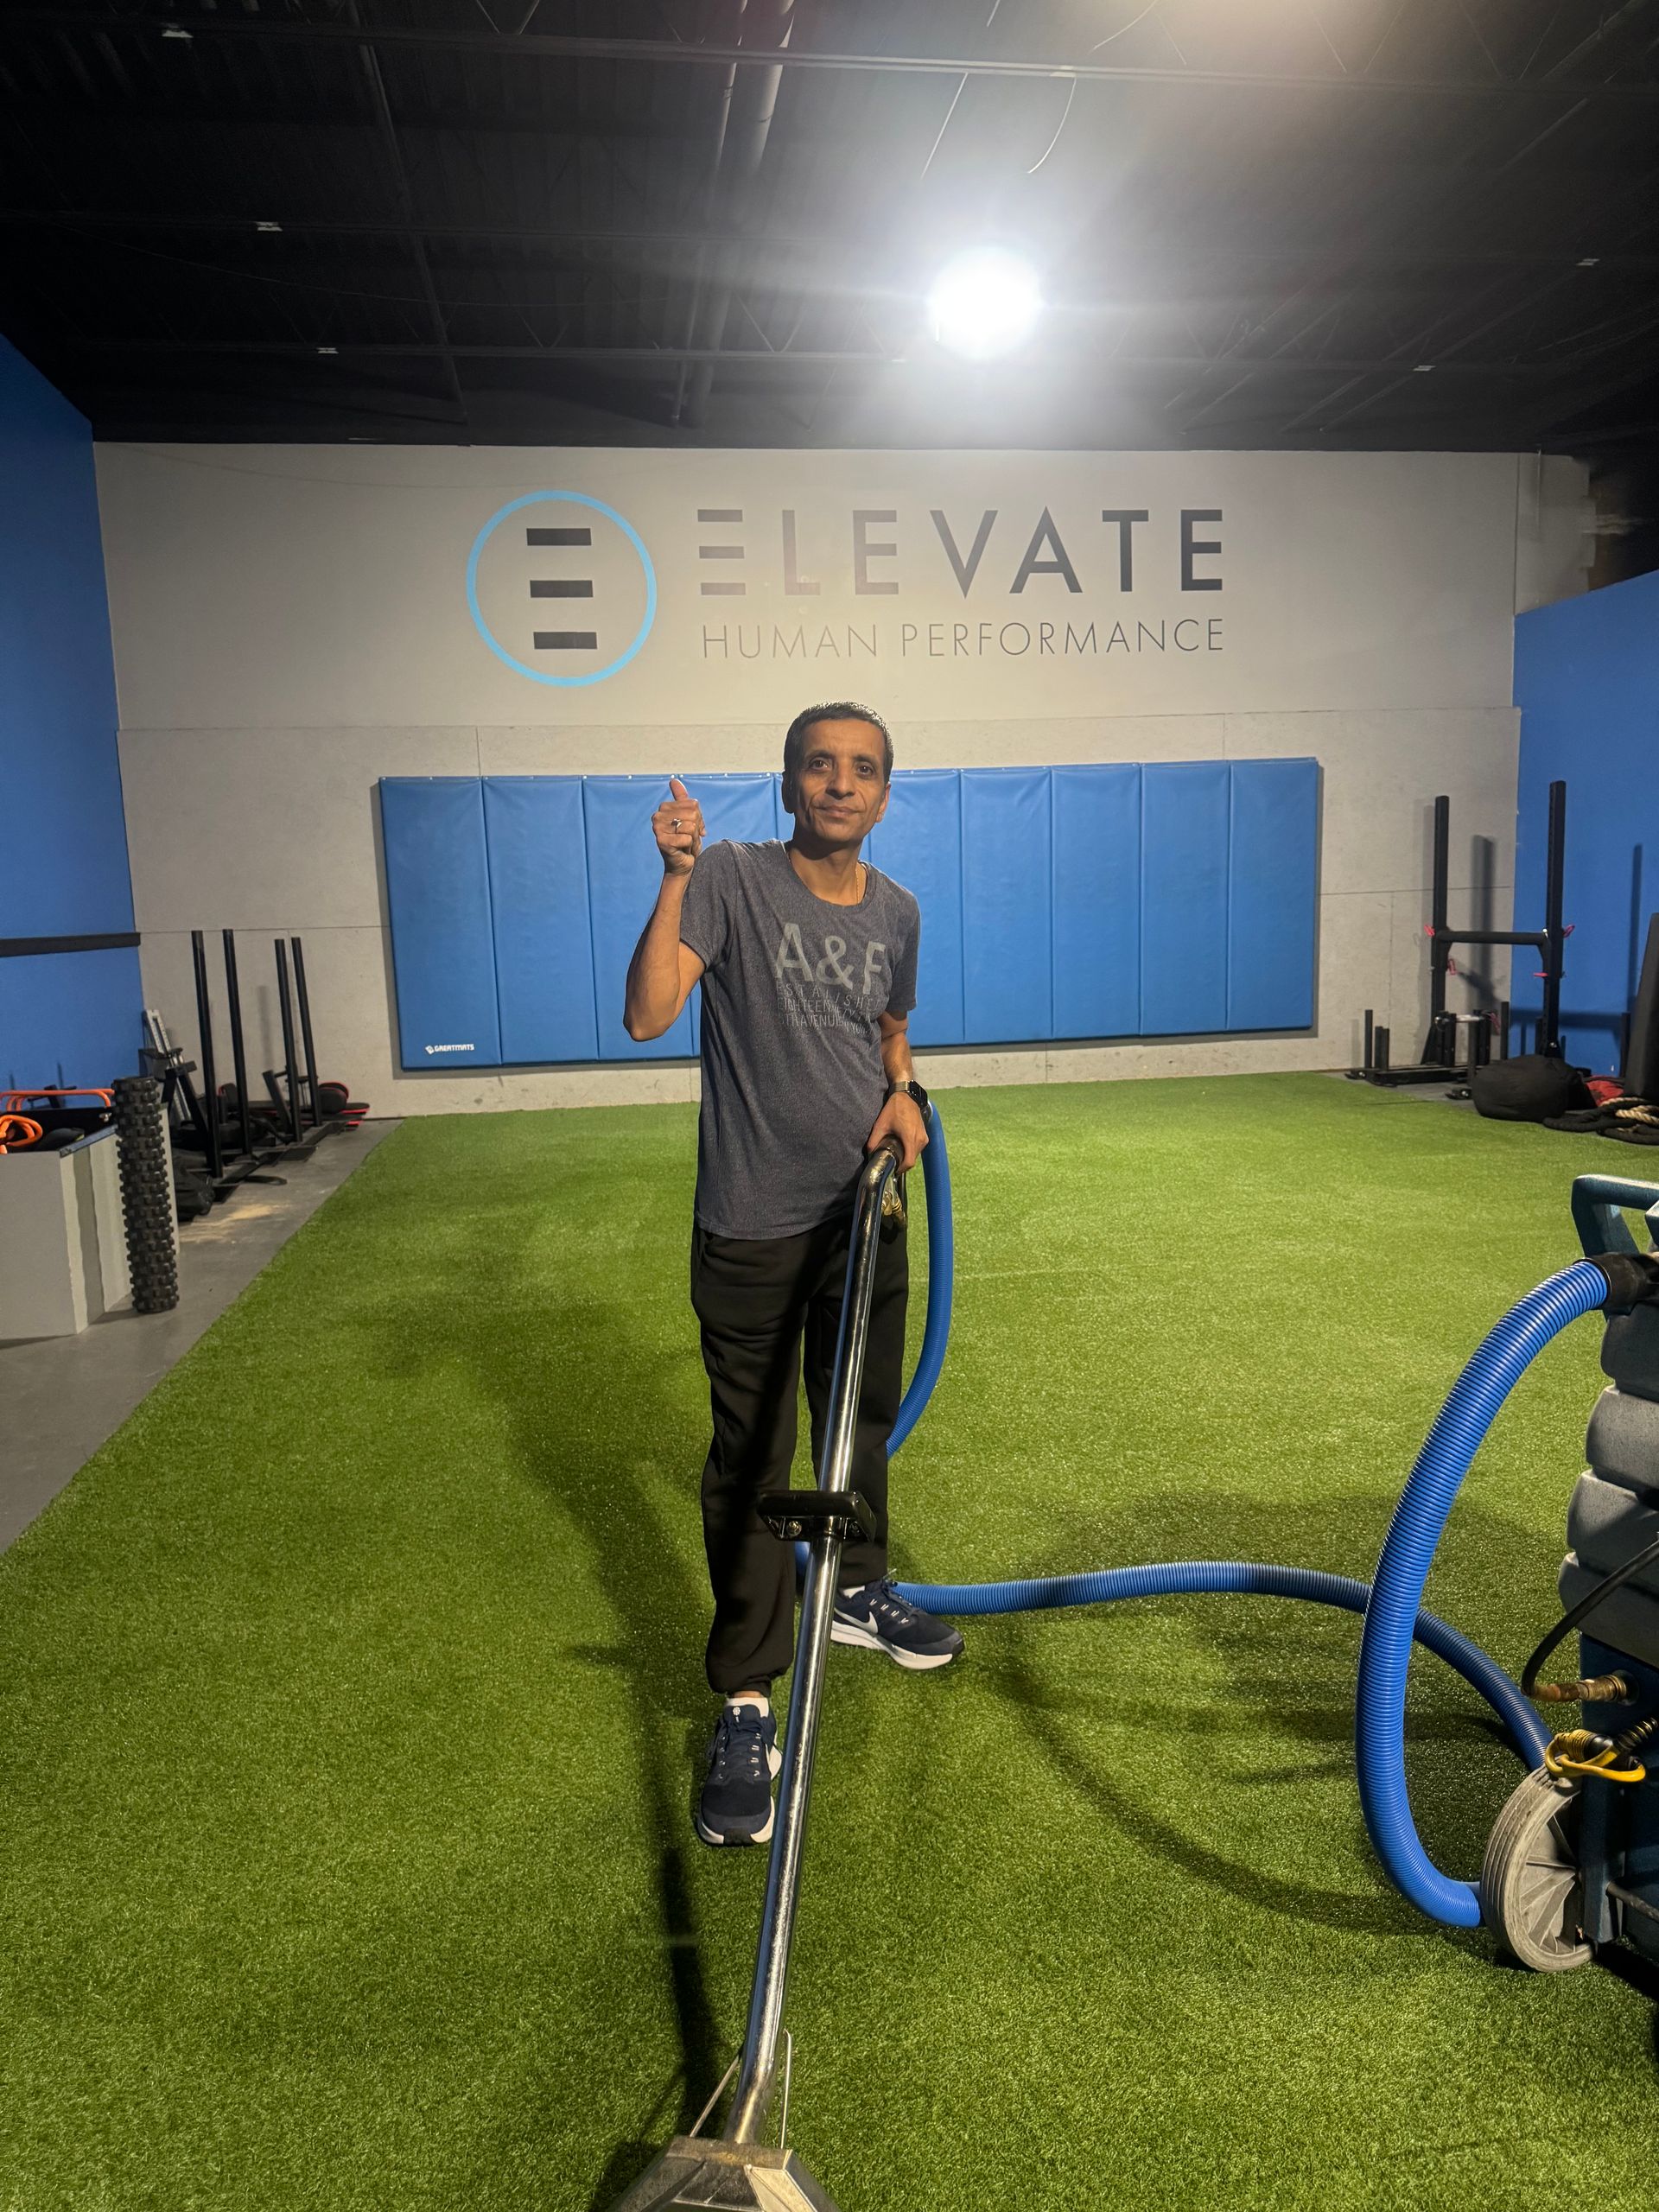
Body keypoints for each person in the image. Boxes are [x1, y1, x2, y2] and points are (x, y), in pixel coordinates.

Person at [623, 702, 964, 1847]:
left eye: (862, 770)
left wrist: (905, 1096)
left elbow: (891, 1030)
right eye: (821, 766)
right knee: (754, 1455)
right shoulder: (727, 877)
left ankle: (858, 1584)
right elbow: (647, 1012)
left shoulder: (900, 911)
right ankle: (745, 1697)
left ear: (882, 794)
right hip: (753, 1224)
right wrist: (671, 876)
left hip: (866, 1218)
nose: (841, 784)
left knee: (857, 1418)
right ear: (788, 784)